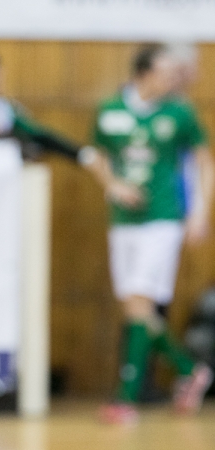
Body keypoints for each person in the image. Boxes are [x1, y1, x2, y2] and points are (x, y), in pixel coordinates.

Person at [81, 44, 215, 424]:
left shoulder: (180, 112)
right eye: (166, 70)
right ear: (144, 72)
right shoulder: (110, 110)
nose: (174, 77)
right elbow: (98, 156)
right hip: (123, 221)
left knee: (140, 299)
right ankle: (191, 369)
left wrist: (200, 211)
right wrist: (114, 184)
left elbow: (205, 162)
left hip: (164, 218)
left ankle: (126, 400)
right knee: (135, 308)